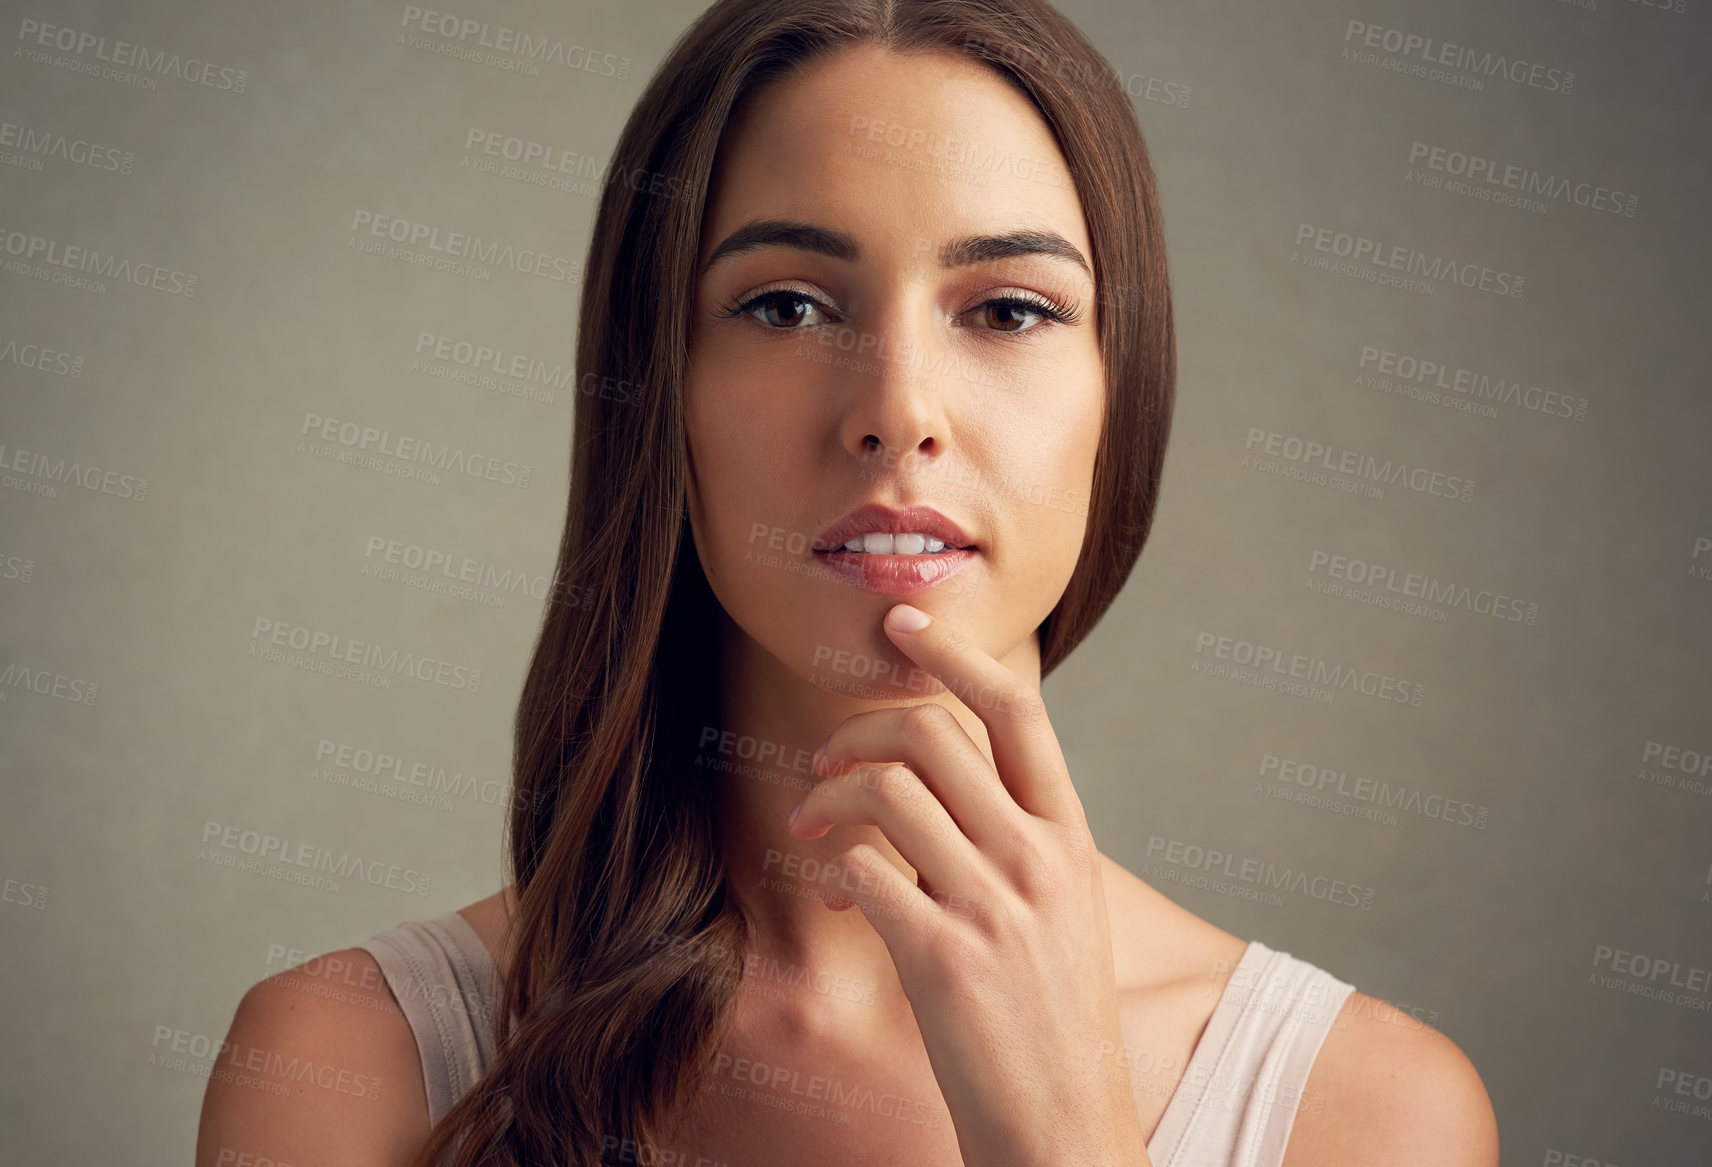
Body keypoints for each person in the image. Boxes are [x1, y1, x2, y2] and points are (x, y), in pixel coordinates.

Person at [197, 1, 1500, 1164]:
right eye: (787, 307)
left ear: (1124, 394)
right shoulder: (351, 1069)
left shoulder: (1366, 1113)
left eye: (1008, 310)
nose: (899, 412)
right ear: (657, 392)